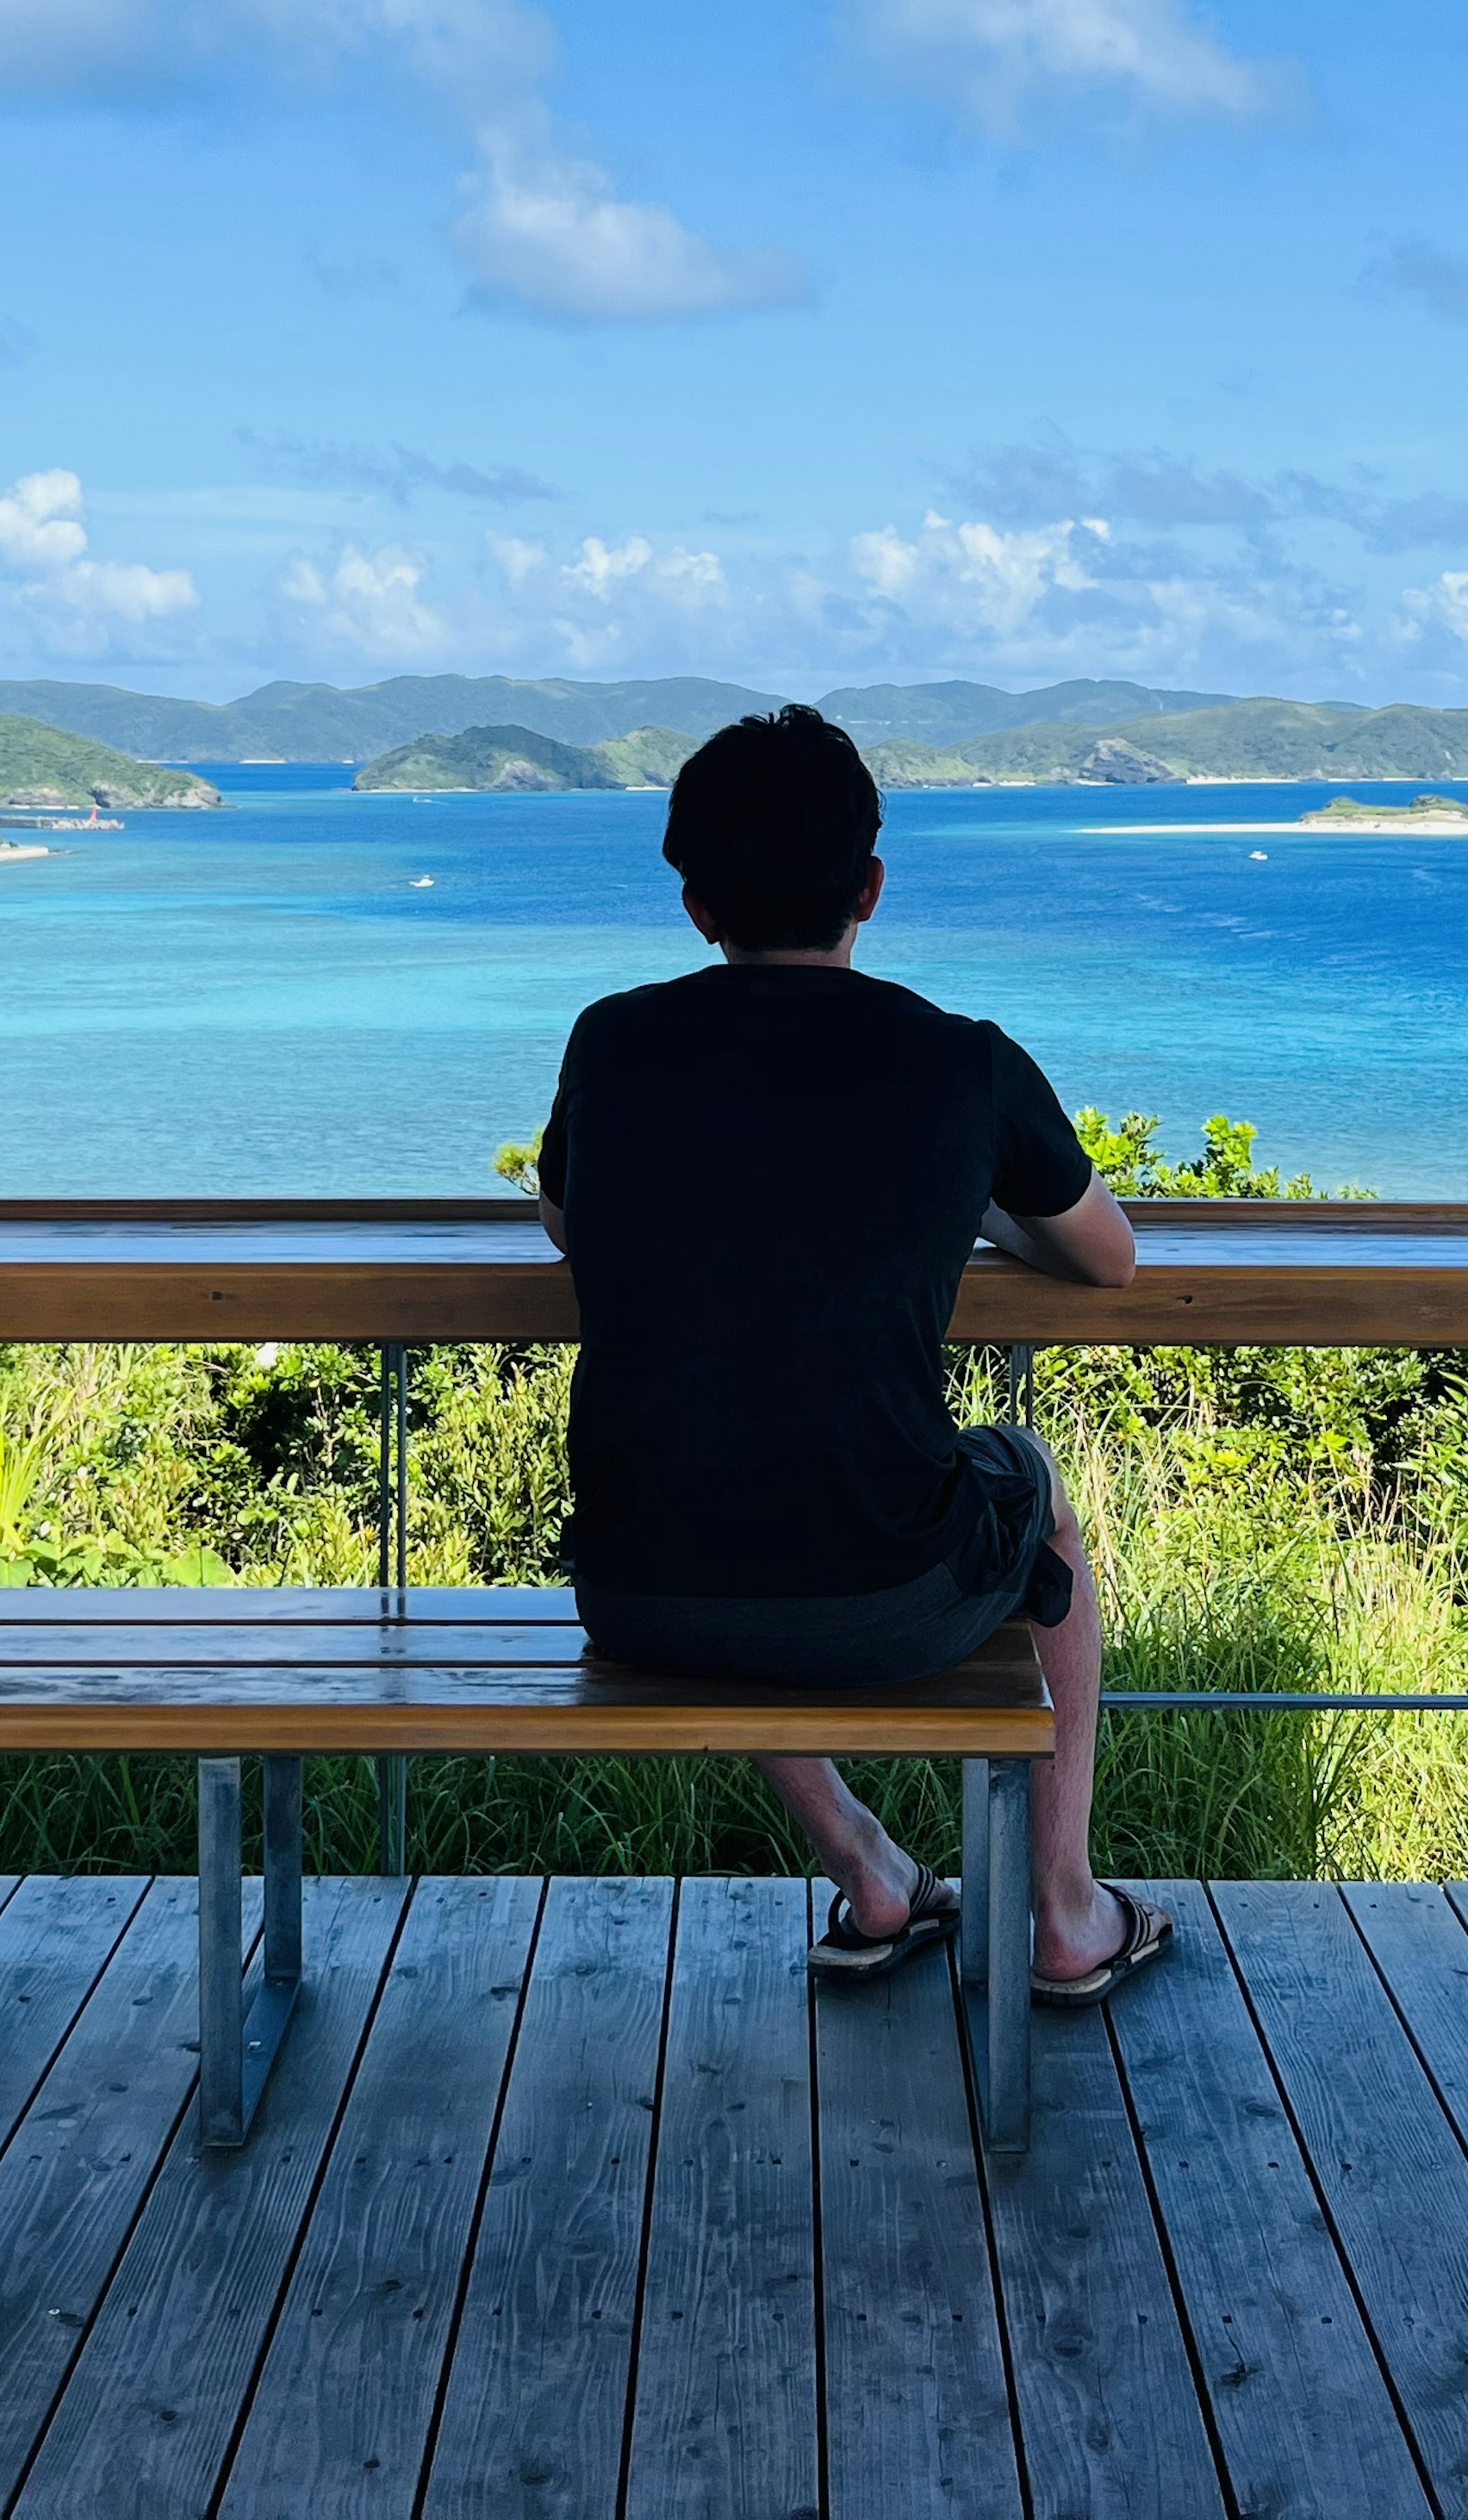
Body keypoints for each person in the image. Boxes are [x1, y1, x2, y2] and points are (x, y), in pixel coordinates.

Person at [533, 704, 1169, 2003]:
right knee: (1034, 1492)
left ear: (696, 905)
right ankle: (1063, 1911)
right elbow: (1108, 1258)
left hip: (637, 1592)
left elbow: (566, 1211)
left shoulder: (613, 1039)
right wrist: (967, 1206)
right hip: (887, 1594)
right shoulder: (958, 1063)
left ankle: (871, 1872)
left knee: (730, 1487)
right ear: (872, 887)